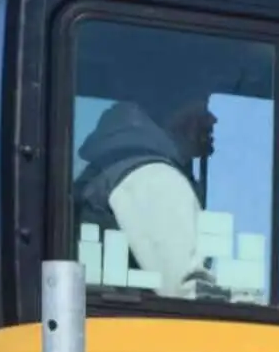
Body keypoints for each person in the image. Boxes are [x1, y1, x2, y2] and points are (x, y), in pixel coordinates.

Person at [75, 95, 218, 296]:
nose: (212, 120)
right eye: (202, 109)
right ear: (174, 116)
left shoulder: (115, 170)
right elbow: (187, 295)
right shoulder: (155, 179)